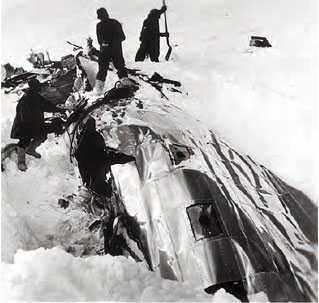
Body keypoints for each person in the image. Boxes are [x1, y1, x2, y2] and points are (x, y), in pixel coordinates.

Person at [10, 78, 65, 171]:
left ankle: (30, 150)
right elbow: (24, 115)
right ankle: (21, 162)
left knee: (42, 136)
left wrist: (60, 109)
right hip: (24, 124)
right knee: (24, 141)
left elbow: (47, 105)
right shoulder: (25, 100)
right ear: (34, 88)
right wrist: (30, 126)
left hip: (35, 123)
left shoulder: (37, 97)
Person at [95, 7, 132, 94]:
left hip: (113, 50)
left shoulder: (113, 23)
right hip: (107, 51)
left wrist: (112, 41)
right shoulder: (102, 25)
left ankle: (125, 83)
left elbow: (122, 37)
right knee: (104, 70)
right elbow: (100, 41)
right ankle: (98, 90)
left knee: (118, 67)